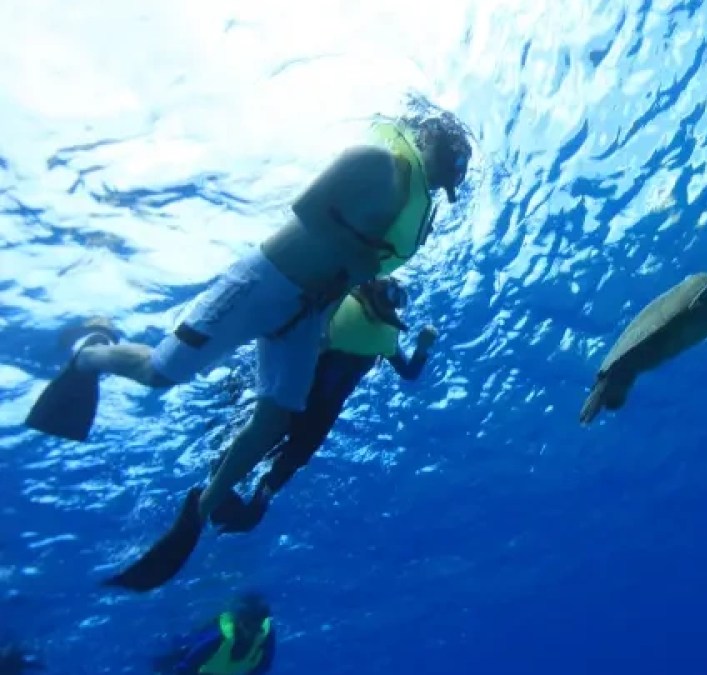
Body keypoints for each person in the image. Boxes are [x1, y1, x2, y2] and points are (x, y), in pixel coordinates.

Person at [23, 107, 473, 593]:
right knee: (161, 372)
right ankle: (91, 354)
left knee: (276, 419)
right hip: (265, 283)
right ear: (431, 139)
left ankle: (200, 511)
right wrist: (359, 256)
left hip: (309, 315)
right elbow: (307, 209)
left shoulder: (412, 214)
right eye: (452, 165)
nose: (446, 181)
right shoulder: (376, 162)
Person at [206, 275, 435, 533]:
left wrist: (422, 348)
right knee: (271, 437)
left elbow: (409, 372)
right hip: (300, 394)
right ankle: (222, 476)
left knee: (294, 452)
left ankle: (254, 499)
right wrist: (422, 348)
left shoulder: (381, 334)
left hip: (316, 406)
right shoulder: (342, 307)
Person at [151, 592, 275, 675]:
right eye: (248, 624)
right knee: (159, 665)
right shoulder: (216, 639)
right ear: (239, 622)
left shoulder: (266, 635)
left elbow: (264, 665)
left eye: (258, 624)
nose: (253, 631)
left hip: (216, 668)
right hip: (187, 658)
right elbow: (185, 668)